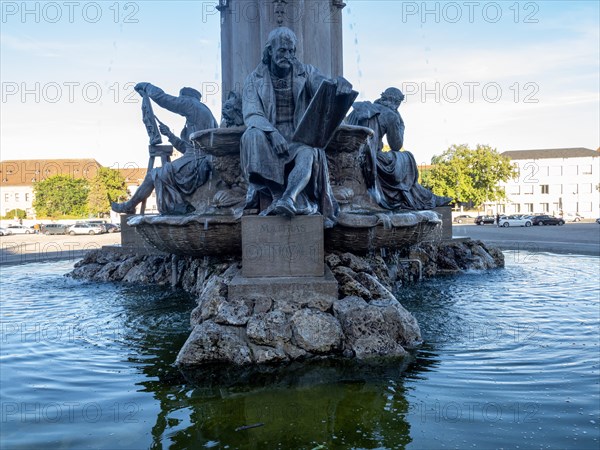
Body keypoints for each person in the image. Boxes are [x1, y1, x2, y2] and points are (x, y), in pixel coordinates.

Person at [240, 26, 353, 227]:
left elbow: (322, 85)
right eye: (282, 50)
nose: (288, 55)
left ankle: (289, 198)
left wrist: (337, 85)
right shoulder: (253, 79)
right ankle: (277, 195)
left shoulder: (306, 72)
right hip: (269, 134)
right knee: (251, 136)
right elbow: (252, 113)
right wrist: (272, 133)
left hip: (298, 136)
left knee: (309, 153)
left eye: (291, 51)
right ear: (269, 51)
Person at [111, 84, 217, 215]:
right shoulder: (205, 114)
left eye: (181, 101)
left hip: (196, 162)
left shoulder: (191, 104)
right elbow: (188, 148)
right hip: (195, 159)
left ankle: (129, 206)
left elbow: (164, 99)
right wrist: (169, 135)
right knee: (159, 173)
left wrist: (147, 87)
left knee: (153, 175)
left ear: (185, 98)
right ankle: (135, 205)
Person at [346, 88, 452, 210]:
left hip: (351, 156)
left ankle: (428, 197)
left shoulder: (360, 108)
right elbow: (396, 145)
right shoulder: (391, 115)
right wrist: (400, 123)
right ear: (395, 101)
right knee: (407, 157)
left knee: (401, 164)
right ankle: (427, 199)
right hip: (371, 159)